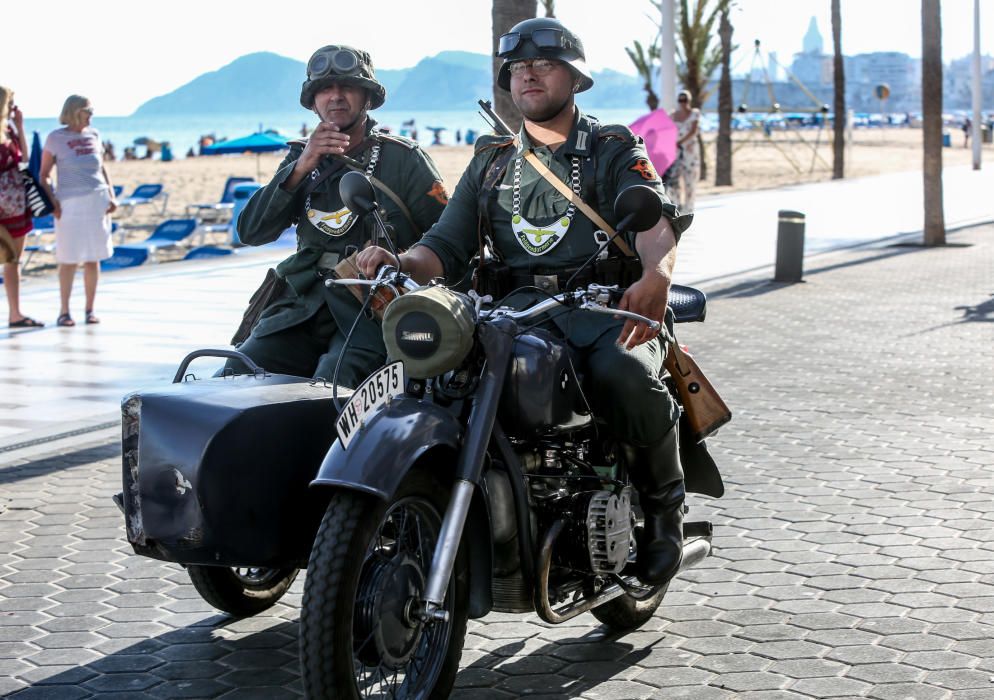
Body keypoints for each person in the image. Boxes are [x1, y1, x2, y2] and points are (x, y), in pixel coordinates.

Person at [358, 17, 692, 586]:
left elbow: (654, 221)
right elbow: (445, 242)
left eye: (544, 63)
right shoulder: (490, 161)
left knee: (621, 373)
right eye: (518, 67)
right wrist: (401, 262)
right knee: (431, 375)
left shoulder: (612, 146)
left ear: (574, 77)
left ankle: (665, 514)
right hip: (511, 311)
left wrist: (656, 273)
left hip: (602, 308)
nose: (529, 75)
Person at [229, 45, 448, 387]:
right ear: (313, 102)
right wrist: (302, 167)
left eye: (347, 87)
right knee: (234, 376)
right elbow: (250, 231)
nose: (336, 97)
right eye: (324, 90)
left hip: (372, 308)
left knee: (334, 385)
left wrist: (401, 262)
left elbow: (448, 241)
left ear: (367, 98)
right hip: (302, 307)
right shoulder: (300, 159)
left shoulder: (402, 159)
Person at [39, 95, 117, 327]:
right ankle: (64, 311)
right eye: (88, 110)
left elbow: (102, 167)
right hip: (69, 203)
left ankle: (89, 309)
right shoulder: (55, 138)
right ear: (75, 111)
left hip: (97, 200)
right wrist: (52, 203)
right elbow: (43, 175)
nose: (91, 115)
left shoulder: (94, 134)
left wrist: (111, 195)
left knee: (93, 258)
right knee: (69, 259)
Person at [0, 86, 43, 327]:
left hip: (17, 205)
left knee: (13, 261)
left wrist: (20, 127)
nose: (14, 107)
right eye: (11, 103)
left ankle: (15, 313)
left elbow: (24, 160)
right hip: (5, 207)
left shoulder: (10, 131)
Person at [667, 90, 701, 213]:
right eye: (680, 100)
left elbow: (693, 131)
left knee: (690, 180)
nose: (682, 102)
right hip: (675, 151)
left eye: (684, 99)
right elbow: (668, 131)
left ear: (689, 100)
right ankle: (676, 205)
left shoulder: (694, 113)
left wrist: (680, 142)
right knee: (674, 178)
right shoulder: (672, 115)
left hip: (690, 151)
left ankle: (689, 208)